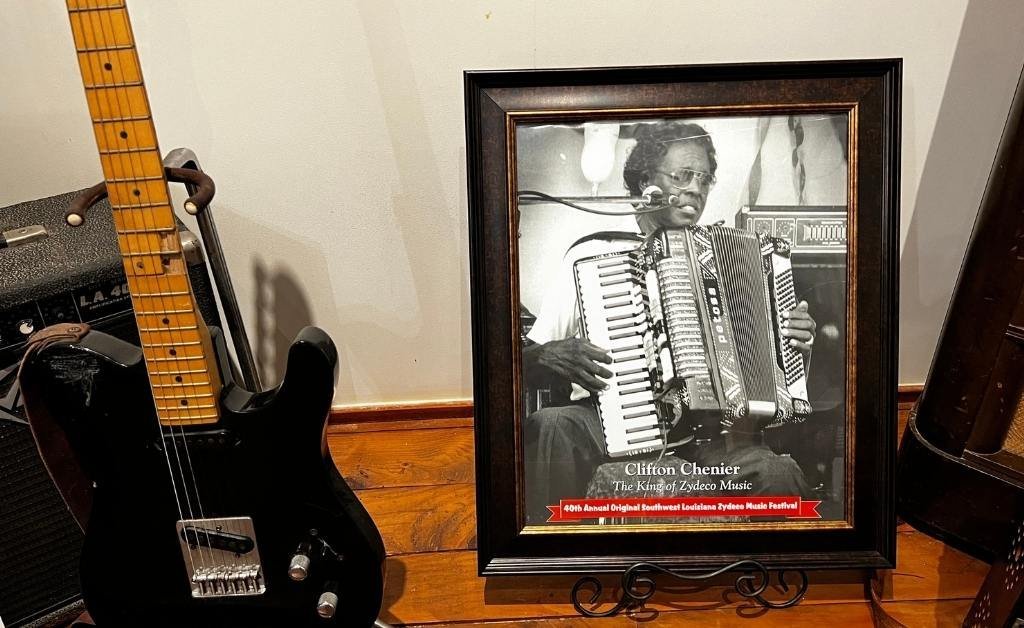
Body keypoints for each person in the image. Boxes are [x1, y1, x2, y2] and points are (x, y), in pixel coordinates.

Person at [522, 120, 817, 523]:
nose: (696, 188)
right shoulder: (593, 255)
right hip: (610, 423)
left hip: (713, 436)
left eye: (705, 179)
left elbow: (772, 385)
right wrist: (545, 356)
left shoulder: (737, 261)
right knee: (552, 425)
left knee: (778, 474)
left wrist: (797, 346)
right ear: (646, 181)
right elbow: (526, 362)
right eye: (683, 176)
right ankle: (548, 569)